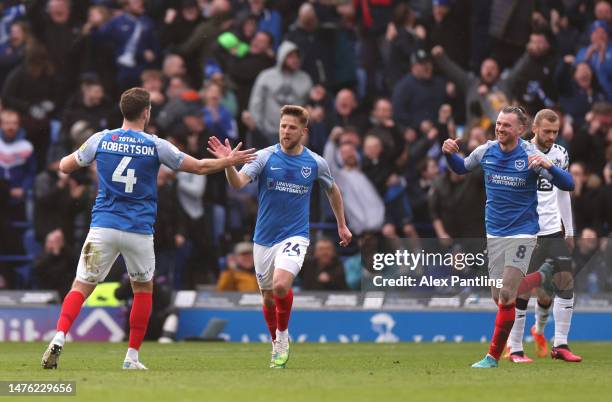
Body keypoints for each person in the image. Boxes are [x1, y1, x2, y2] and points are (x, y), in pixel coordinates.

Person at [41, 87, 255, 370]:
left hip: (103, 226)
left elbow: (66, 166)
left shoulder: (101, 139)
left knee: (81, 285)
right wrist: (228, 161)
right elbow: (200, 167)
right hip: (138, 230)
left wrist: (88, 162)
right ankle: (131, 357)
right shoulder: (156, 145)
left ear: (122, 111)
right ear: (146, 112)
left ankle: (59, 336)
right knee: (143, 289)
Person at [207, 105, 352, 369]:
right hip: (264, 238)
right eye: (283, 126)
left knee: (281, 285)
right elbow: (237, 183)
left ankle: (282, 339)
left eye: (292, 127)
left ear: (303, 132)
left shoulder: (315, 163)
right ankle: (275, 341)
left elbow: (333, 190)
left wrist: (342, 225)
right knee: (268, 297)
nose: (286, 131)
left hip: (295, 236)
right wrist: (228, 164)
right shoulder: (264, 157)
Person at [442, 105, 575, 368]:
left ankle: (493, 357)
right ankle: (542, 276)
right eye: (499, 123)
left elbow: (568, 184)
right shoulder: (486, 150)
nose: (500, 128)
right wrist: (449, 155)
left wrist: (549, 165)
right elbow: (462, 168)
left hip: (523, 233)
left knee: (506, 295)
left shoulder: (530, 155)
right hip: (494, 233)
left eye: (506, 125)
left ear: (520, 130)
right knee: (500, 297)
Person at [505, 109, 582, 363]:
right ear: (534, 128)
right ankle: (515, 347)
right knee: (522, 290)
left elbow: (563, 192)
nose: (551, 136)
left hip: (552, 230)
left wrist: (568, 230)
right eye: (547, 131)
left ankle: (560, 344)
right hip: (526, 230)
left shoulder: (560, 154)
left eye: (555, 132)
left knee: (565, 282)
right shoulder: (520, 150)